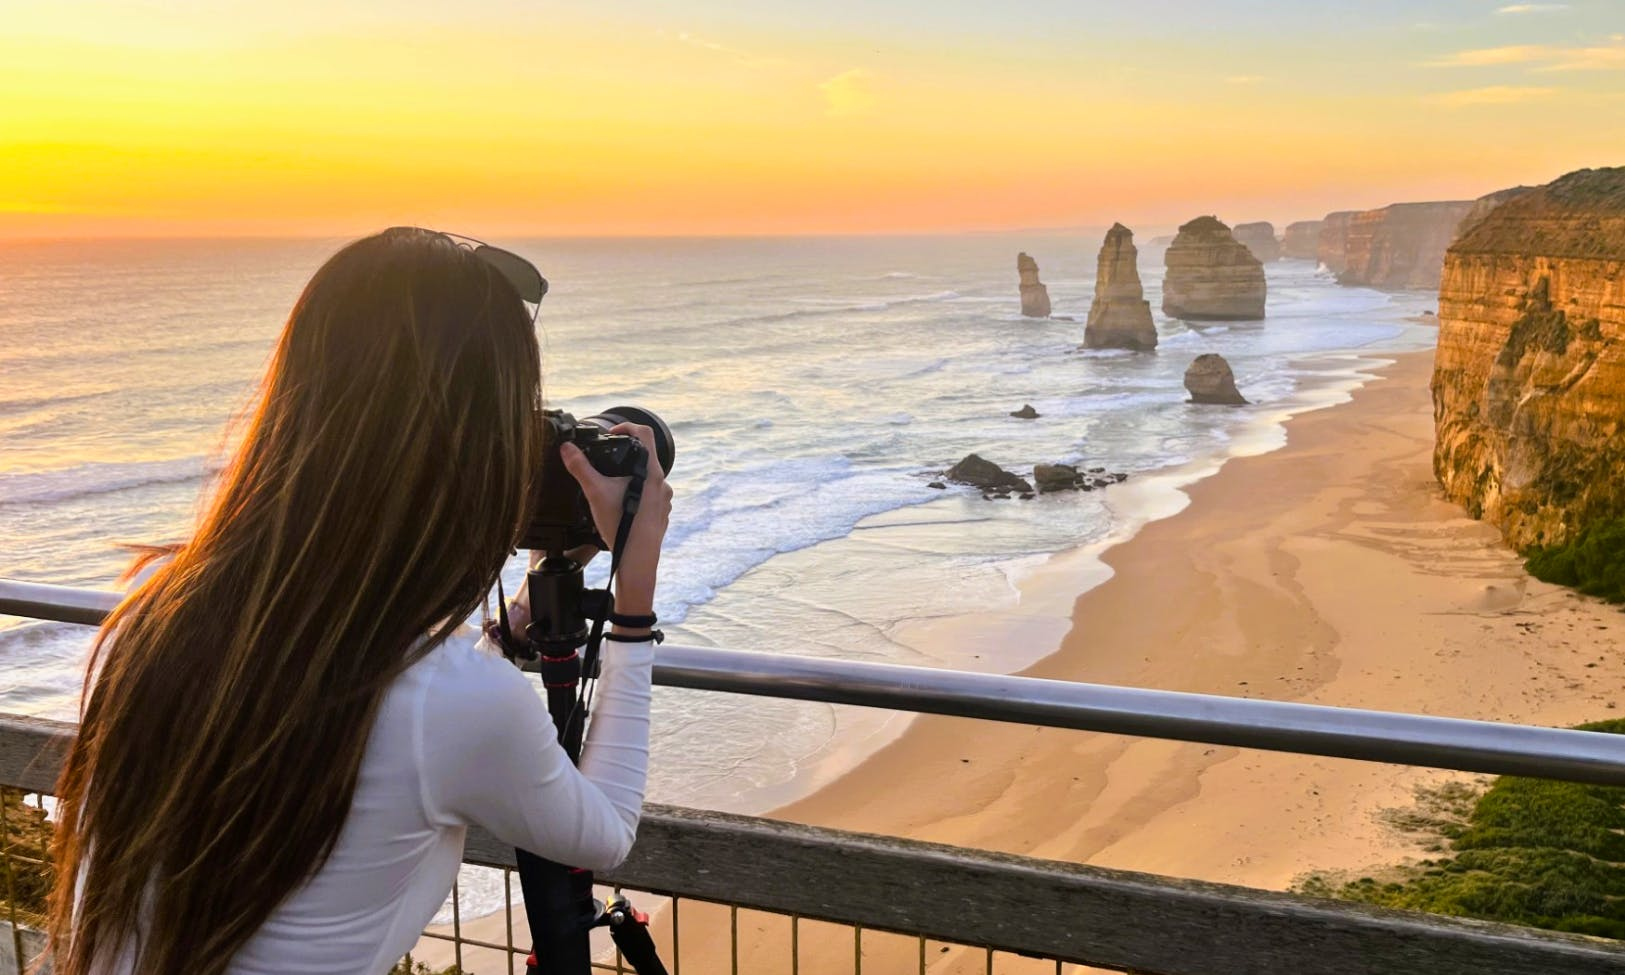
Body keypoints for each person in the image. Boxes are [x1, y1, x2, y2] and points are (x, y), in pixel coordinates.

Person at [46, 227, 672, 975]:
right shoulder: (453, 702)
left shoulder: (155, 616)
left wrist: (498, 641)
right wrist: (633, 607)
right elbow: (602, 832)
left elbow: (374, 699)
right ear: (477, 449)